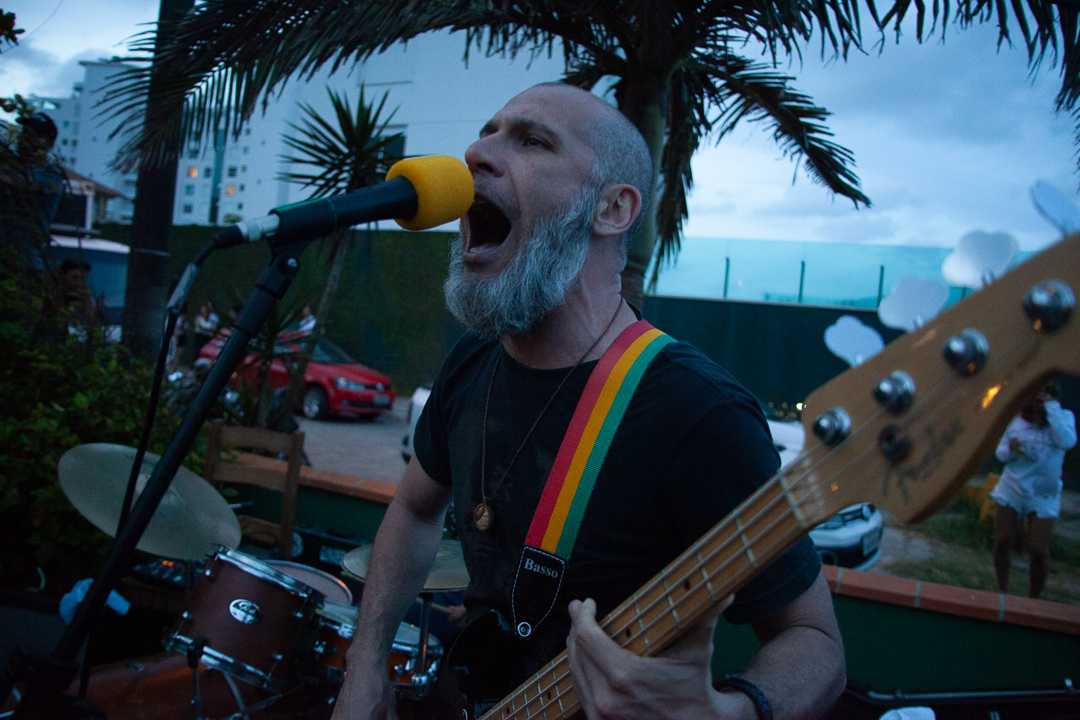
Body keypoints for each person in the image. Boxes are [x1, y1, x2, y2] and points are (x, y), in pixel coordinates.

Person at [333, 83, 844, 720]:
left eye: (531, 141)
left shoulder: (697, 410)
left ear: (612, 209)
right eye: (486, 133)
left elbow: (815, 642)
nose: (475, 154)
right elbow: (414, 509)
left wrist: (733, 713)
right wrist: (365, 665)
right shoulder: (474, 358)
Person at [991, 382, 1076, 598]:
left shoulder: (1063, 418)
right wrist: (1010, 449)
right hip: (1012, 488)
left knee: (1039, 551)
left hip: (1043, 494)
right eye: (1035, 397)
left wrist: (1051, 409)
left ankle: (1033, 598)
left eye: (1043, 397)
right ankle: (1002, 590)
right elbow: (1000, 454)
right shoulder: (1016, 421)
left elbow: (1068, 441)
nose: (1038, 403)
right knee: (1002, 541)